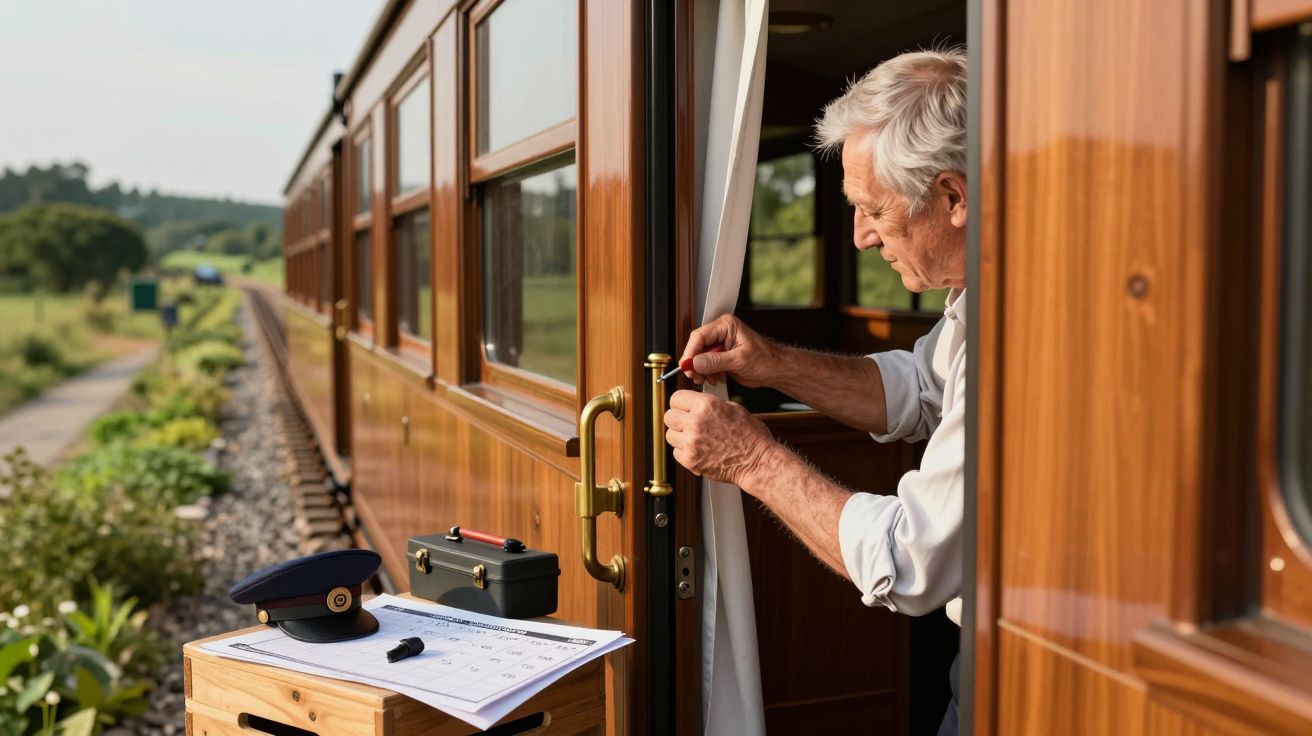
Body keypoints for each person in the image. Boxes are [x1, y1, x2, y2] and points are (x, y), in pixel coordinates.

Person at [662, 47, 968, 735]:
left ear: (952, 197)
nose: (860, 237)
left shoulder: (1018, 329)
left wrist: (750, 458)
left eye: (874, 210)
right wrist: (770, 362)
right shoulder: (972, 304)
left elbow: (909, 560)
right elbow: (919, 390)